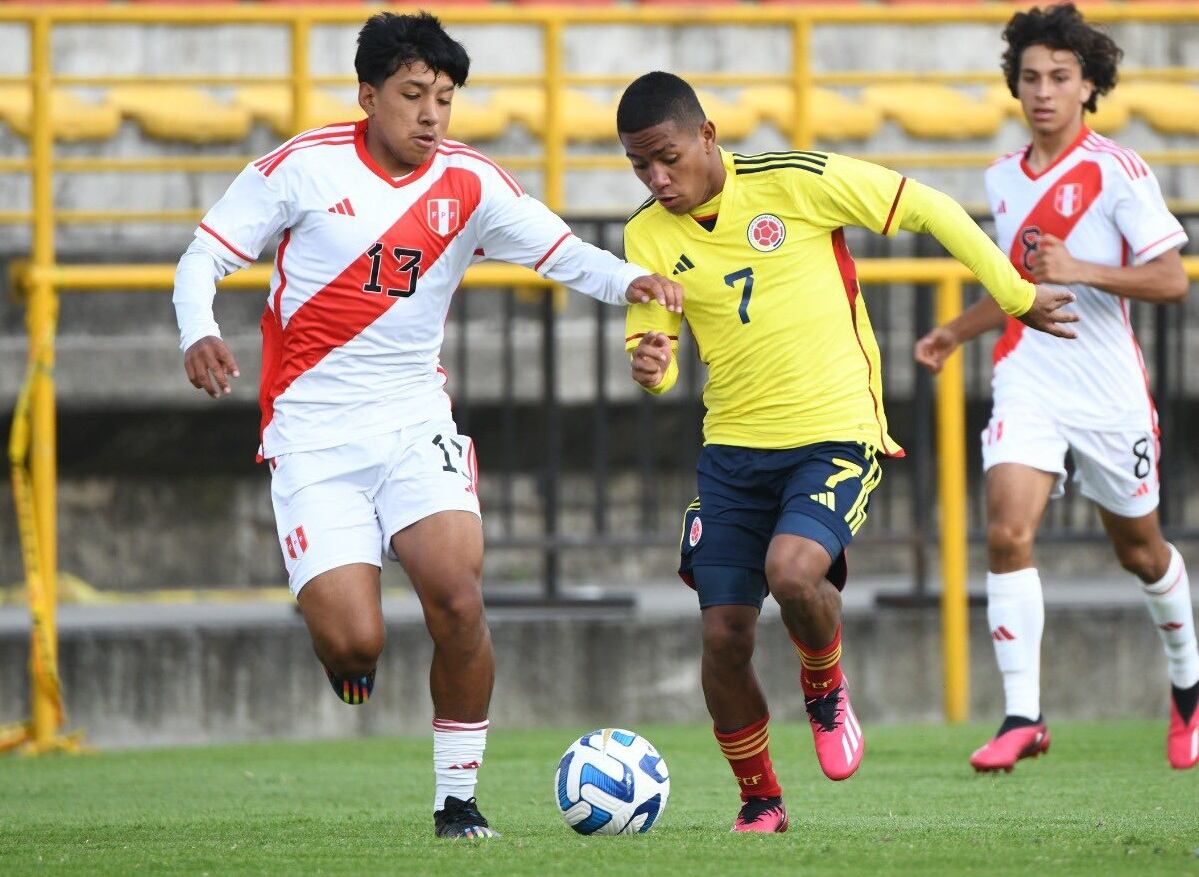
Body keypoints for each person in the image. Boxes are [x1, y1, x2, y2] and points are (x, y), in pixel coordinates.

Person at [171, 12, 682, 840]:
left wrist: (632, 283)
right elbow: (205, 254)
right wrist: (199, 327)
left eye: (443, 99)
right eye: (412, 95)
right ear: (368, 96)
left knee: (458, 598)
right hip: (313, 433)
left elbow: (560, 251)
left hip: (413, 418)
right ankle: (347, 657)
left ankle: (458, 801)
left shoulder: (470, 183)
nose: (430, 115)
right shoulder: (301, 169)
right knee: (355, 643)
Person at [618, 70, 1077, 833]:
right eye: (639, 166)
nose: (656, 179)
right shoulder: (644, 234)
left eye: (666, 157)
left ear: (706, 135)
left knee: (793, 571)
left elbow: (928, 206)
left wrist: (1015, 294)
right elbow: (656, 361)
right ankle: (760, 799)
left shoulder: (796, 182)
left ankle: (823, 683)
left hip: (833, 433)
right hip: (730, 451)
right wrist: (650, 365)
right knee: (722, 635)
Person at [914, 2, 1196, 773]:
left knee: (1139, 551)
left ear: (1087, 85)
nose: (1042, 91)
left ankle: (1187, 689)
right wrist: (953, 331)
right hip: (1028, 376)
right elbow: (1014, 282)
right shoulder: (1001, 177)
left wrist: (1080, 268)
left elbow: (1169, 278)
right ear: (1015, 85)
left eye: (1059, 77)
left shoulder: (1117, 170)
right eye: (1030, 76)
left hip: (1106, 390)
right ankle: (1022, 716)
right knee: (1006, 530)